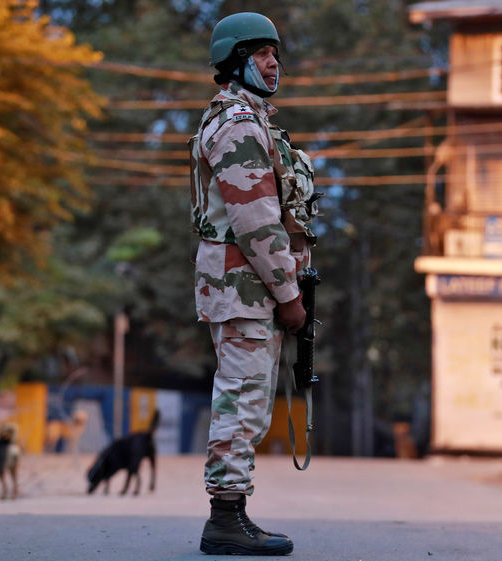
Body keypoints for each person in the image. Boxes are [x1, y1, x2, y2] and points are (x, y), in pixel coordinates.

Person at [188, 11, 319, 556]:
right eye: (262, 53)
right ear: (236, 60)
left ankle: (232, 515)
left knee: (250, 400)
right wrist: (289, 298)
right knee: (241, 401)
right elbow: (257, 220)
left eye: (275, 53)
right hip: (245, 286)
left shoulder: (255, 121)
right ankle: (224, 520)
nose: (274, 63)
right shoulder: (239, 124)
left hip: (248, 286)